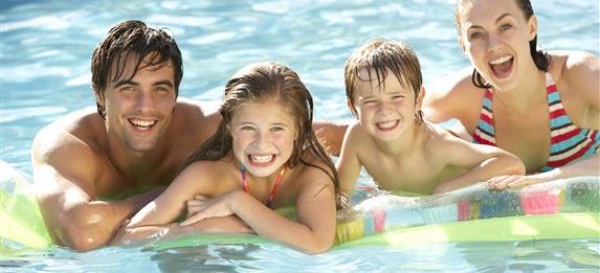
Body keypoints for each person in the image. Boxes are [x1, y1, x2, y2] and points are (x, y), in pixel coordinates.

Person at [31, 20, 346, 251]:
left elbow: (315, 134)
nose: (146, 107)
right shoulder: (67, 145)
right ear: (100, 93)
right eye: (128, 89)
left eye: (160, 89)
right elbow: (83, 232)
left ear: (177, 93)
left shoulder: (213, 127)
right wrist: (182, 198)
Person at [113, 62, 342, 253]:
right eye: (248, 128)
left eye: (277, 129)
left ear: (298, 129)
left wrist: (238, 202)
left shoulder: (310, 174)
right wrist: (198, 230)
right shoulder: (207, 176)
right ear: (229, 126)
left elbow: (317, 243)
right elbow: (126, 237)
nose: (261, 144)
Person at [423, 0, 599, 189]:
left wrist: (538, 182)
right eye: (476, 34)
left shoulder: (578, 75)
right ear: (463, 45)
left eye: (505, 26)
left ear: (532, 27)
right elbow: (391, 119)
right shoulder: (461, 94)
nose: (493, 45)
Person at [336, 39, 524, 197]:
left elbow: (511, 164)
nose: (385, 110)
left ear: (418, 100)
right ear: (353, 107)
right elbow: (341, 194)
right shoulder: (358, 138)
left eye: (397, 97)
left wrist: (447, 190)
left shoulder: (436, 146)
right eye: (370, 101)